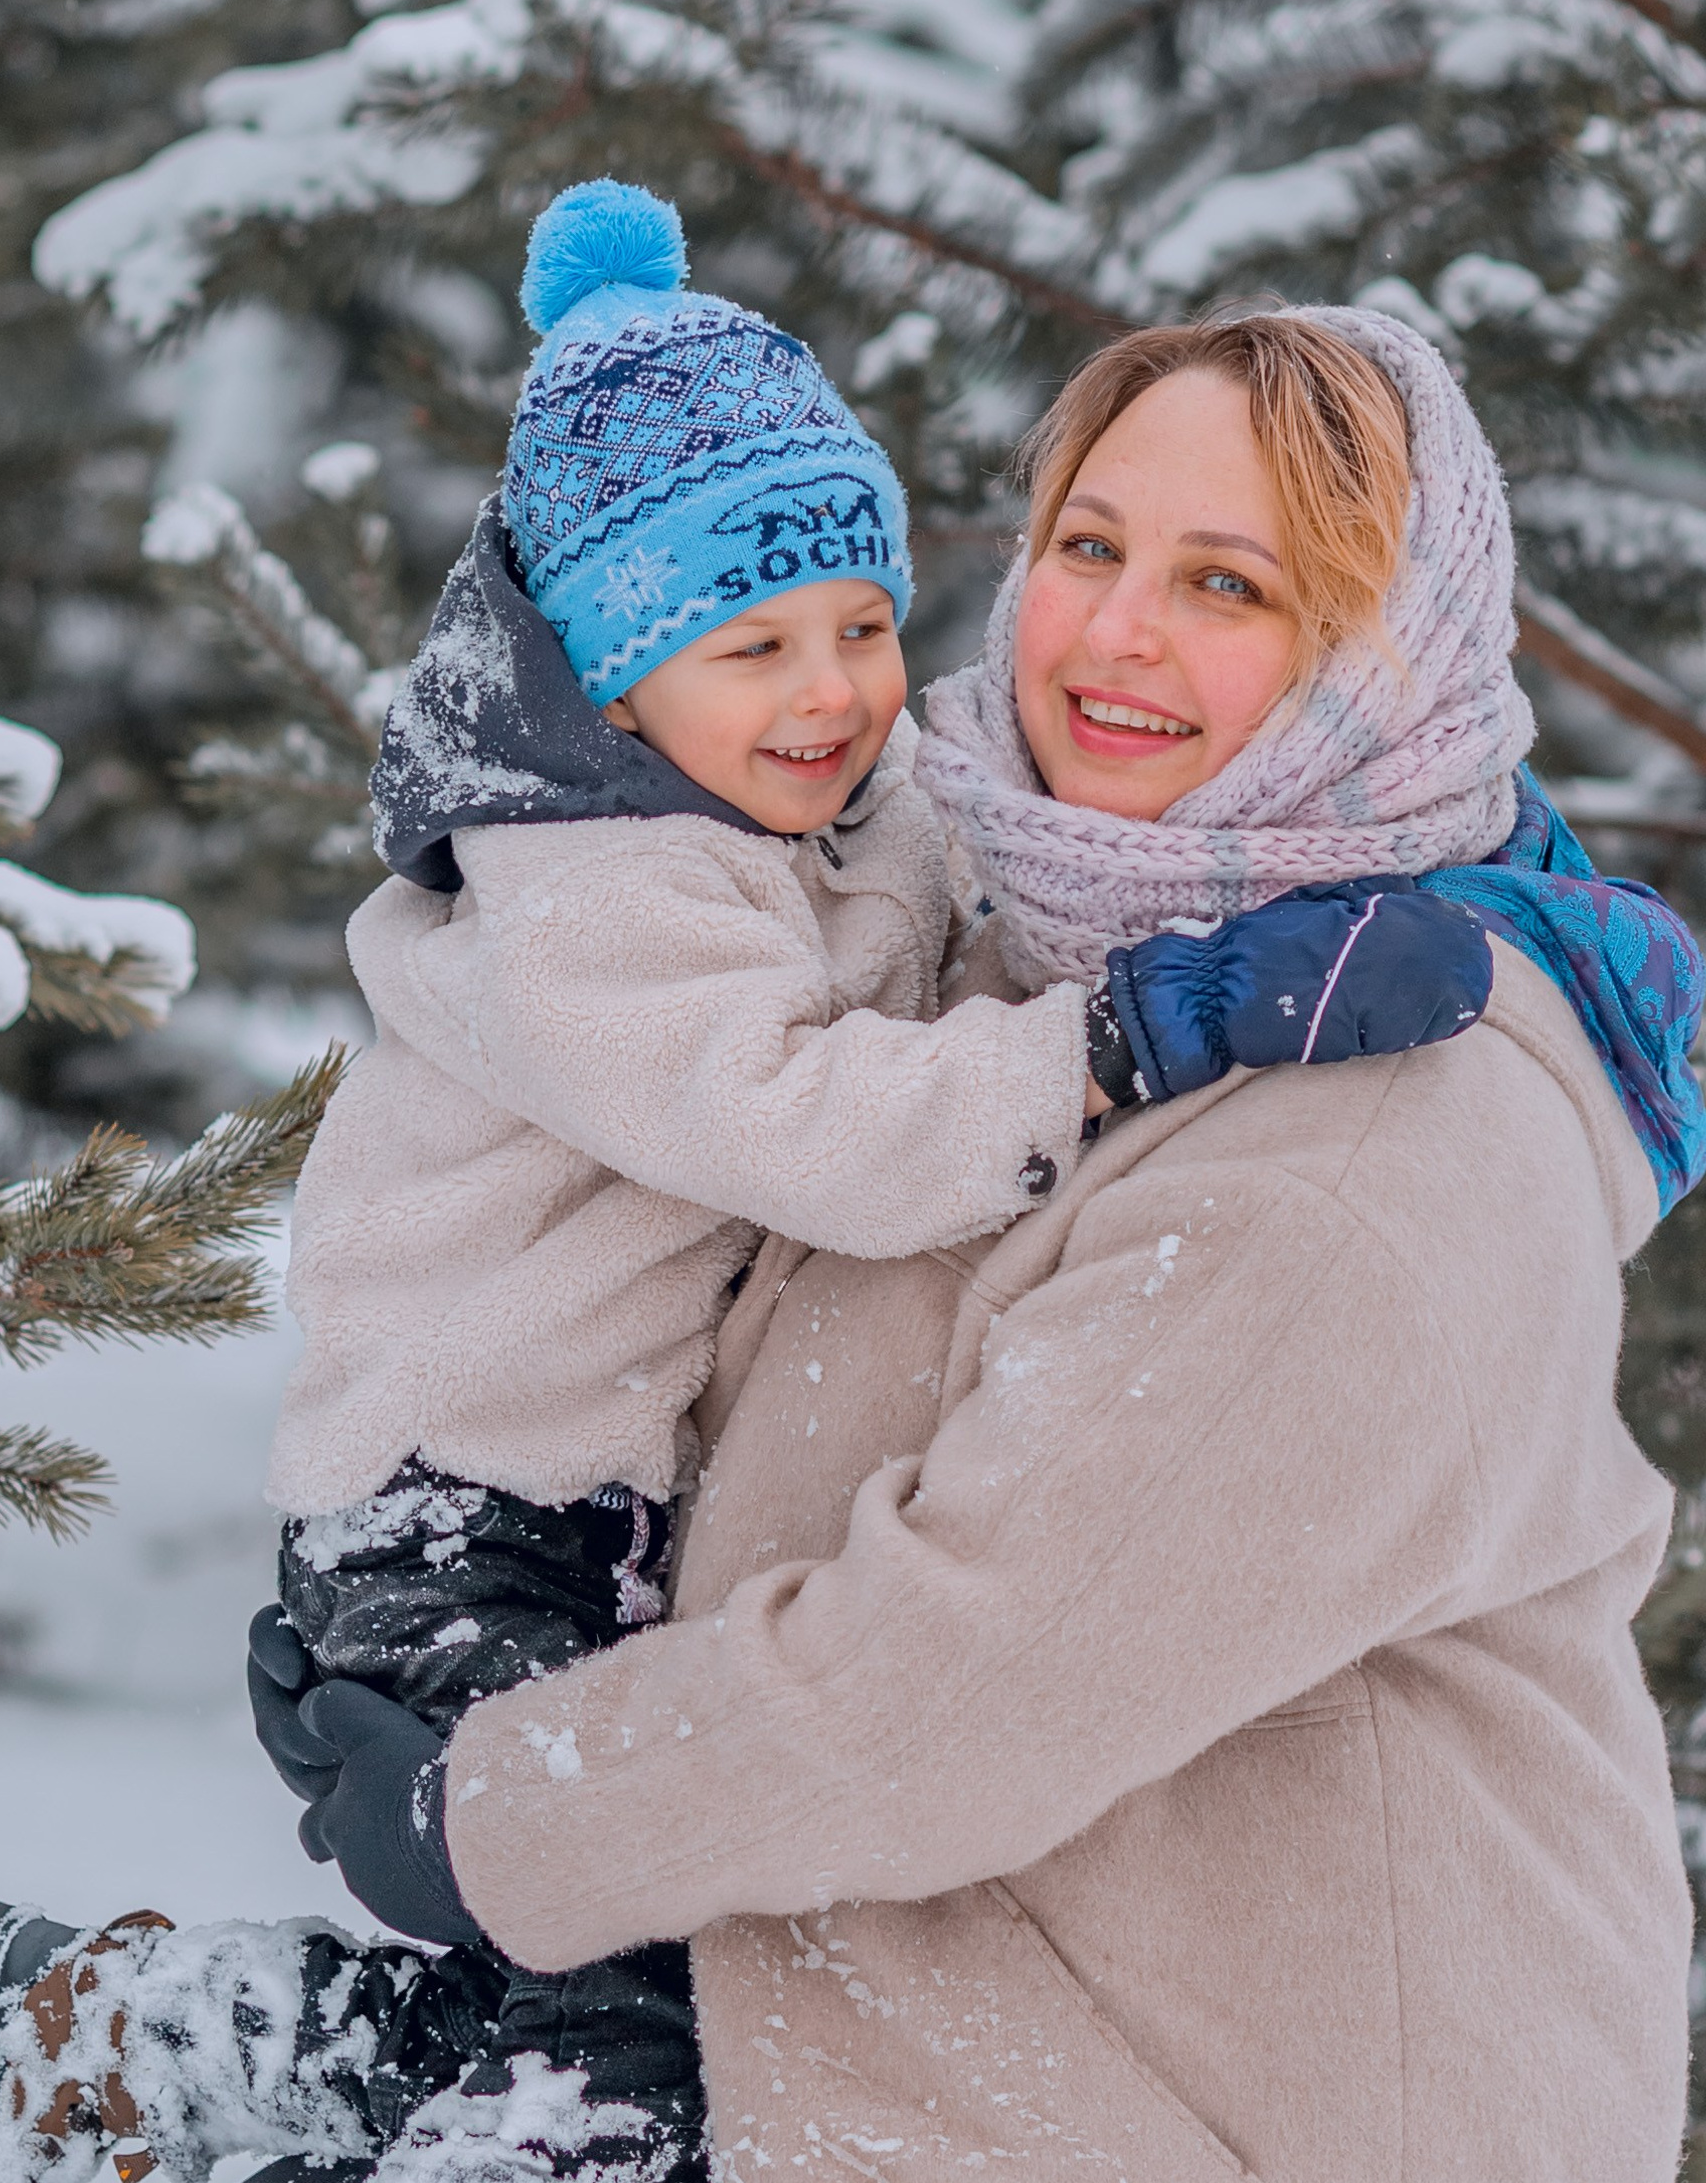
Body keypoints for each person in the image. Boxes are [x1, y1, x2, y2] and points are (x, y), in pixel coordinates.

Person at [0, 233, 1522, 2183]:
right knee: (634, 1995)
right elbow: (817, 1112)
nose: (836, 693)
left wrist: (1522, 909)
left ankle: (135, 2045)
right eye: (751, 650)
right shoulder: (608, 887)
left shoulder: (854, 821)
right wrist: (1123, 1030)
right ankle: (283, 2092)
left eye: (854, 623)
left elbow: (943, 1691)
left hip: (688, 1583)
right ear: (604, 673)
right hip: (472, 1504)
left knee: (643, 1966)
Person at [265, 309, 1706, 2182]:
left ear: (1379, 658)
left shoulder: (1364, 1146)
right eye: (1090, 548)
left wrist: (480, 1824)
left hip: (1214, 2116)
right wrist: (429, 1557)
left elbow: (939, 1702)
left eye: (1231, 584)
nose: (1117, 631)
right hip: (920, 2030)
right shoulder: (1010, 944)